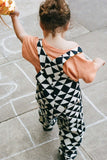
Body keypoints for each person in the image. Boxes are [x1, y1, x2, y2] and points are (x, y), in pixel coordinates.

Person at [10, 0, 105, 159]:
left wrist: (14, 17)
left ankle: (47, 123)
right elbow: (88, 76)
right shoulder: (73, 52)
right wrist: (96, 63)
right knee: (72, 128)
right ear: (67, 24)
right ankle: (68, 153)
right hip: (68, 103)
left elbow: (21, 35)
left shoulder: (36, 46)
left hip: (45, 96)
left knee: (46, 111)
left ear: (41, 24)